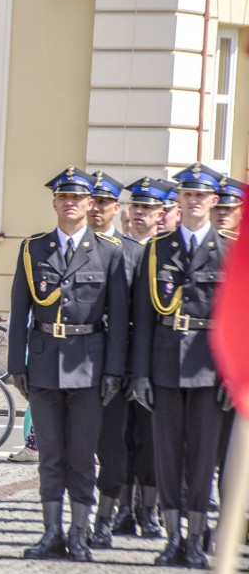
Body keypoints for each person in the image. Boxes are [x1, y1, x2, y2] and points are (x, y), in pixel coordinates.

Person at [7, 166, 128, 563]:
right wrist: (16, 365)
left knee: (81, 455)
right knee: (50, 456)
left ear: (90, 203)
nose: (70, 203)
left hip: (89, 367)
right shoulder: (33, 249)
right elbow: (19, 311)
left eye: (78, 197)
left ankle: (79, 533)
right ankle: (51, 533)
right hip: (43, 364)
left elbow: (118, 317)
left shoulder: (109, 252)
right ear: (55, 202)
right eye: (64, 197)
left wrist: (113, 371)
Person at [130, 162, 234, 569]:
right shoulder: (158, 249)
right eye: (187, 194)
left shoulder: (229, 250)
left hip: (210, 368)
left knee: (204, 459)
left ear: (212, 201)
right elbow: (142, 317)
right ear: (179, 200)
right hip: (165, 365)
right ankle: (172, 539)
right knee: (167, 456)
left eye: (201, 195)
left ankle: (196, 542)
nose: (193, 201)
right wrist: (140, 372)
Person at [85, 171, 146, 548]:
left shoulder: (134, 252)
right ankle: (70, 520)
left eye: (105, 201)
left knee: (114, 446)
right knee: (74, 449)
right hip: (74, 362)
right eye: (93, 200)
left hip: (116, 366)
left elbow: (142, 320)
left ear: (115, 208)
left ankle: (106, 519)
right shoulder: (64, 247)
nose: (97, 208)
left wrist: (134, 370)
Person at [111, 177, 171, 540]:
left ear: (159, 215)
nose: (140, 214)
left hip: (155, 359)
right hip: (123, 356)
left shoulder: (164, 251)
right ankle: (123, 508)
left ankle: (149, 512)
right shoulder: (117, 250)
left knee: (149, 440)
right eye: (136, 207)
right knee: (120, 440)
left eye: (147, 209)